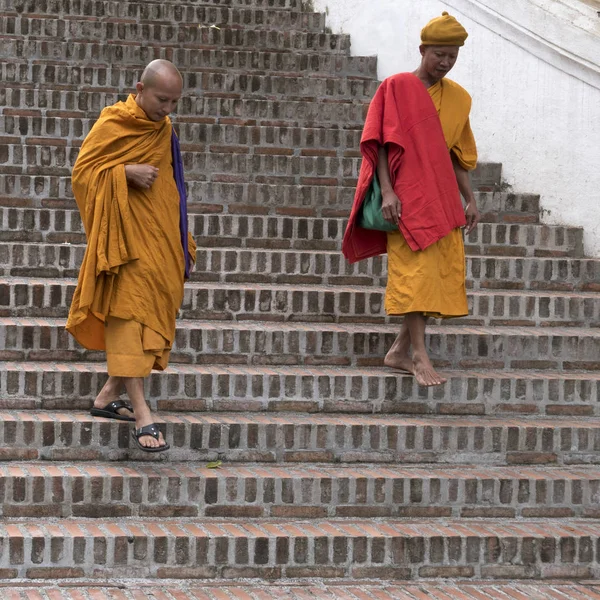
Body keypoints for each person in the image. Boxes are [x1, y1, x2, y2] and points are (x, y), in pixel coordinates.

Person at [342, 12, 480, 387]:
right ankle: (419, 356)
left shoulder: (459, 99)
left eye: (452, 56)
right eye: (439, 54)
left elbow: (457, 156)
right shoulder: (397, 87)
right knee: (416, 277)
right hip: (406, 199)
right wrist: (387, 191)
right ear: (422, 50)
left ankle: (399, 350)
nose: (445, 63)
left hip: (443, 201)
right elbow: (383, 145)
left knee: (437, 279)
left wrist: (470, 200)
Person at [66, 59, 196, 451]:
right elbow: (83, 174)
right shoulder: (113, 123)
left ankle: (107, 397)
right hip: (124, 242)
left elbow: (175, 185)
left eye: (174, 102)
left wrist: (182, 235)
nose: (167, 109)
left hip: (159, 237)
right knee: (129, 314)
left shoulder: (165, 128)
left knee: (152, 312)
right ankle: (143, 414)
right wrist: (124, 173)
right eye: (161, 99)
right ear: (139, 87)